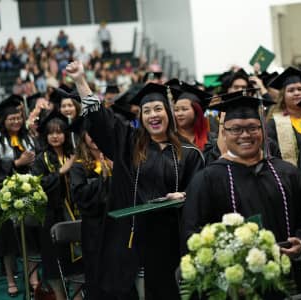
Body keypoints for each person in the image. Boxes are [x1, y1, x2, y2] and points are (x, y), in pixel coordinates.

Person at [66, 60, 205, 300]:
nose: (153, 115)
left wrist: (184, 195)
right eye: (147, 110)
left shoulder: (190, 152)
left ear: (169, 114)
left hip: (170, 238)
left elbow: (201, 194)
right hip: (129, 236)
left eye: (158, 109)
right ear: (140, 116)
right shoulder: (128, 144)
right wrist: (80, 81)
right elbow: (101, 121)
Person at [182, 94, 301, 294]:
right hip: (236, 289)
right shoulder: (206, 180)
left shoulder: (287, 172)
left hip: (290, 279)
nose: (245, 135)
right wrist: (225, 276)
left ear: (262, 131)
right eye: (236, 129)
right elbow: (193, 234)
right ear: (223, 134)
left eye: (252, 128)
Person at [0, 95, 40, 297]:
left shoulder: (29, 139)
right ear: (3, 121)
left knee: (32, 238)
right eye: (11, 119)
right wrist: (18, 163)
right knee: (8, 240)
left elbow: (40, 161)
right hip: (5, 200)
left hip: (30, 195)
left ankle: (33, 278)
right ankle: (10, 279)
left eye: (18, 118)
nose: (15, 122)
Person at [32, 110, 82, 300]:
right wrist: (61, 171)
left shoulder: (74, 154)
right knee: (54, 263)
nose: (55, 136)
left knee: (78, 260)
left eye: (59, 132)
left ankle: (77, 297)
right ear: (46, 136)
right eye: (51, 133)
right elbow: (40, 186)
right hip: (52, 217)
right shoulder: (41, 159)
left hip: (76, 214)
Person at [70, 129, 113, 300]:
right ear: (84, 138)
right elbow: (80, 197)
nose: (95, 137)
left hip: (117, 227)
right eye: (90, 134)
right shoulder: (79, 166)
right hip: (95, 229)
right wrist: (102, 178)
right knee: (98, 274)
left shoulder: (115, 160)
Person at [267, 67, 301, 166]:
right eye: (291, 90)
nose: (297, 93)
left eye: (300, 89)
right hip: (294, 173)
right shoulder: (274, 123)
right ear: (283, 96)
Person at [167, 79, 211, 150]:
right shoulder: (170, 140)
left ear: (197, 112)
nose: (179, 114)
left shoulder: (210, 140)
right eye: (176, 110)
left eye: (184, 109)